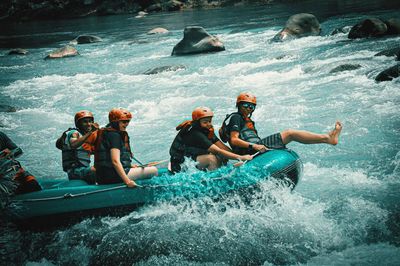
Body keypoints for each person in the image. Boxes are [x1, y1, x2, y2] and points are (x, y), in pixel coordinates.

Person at [219, 92, 343, 155]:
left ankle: (327, 139)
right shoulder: (236, 117)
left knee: (288, 137)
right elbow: (234, 140)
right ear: (238, 105)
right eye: (246, 105)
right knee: (290, 134)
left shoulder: (245, 120)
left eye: (252, 106)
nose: (249, 108)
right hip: (251, 149)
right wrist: (255, 147)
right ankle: (328, 138)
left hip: (251, 148)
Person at [169, 107, 253, 173]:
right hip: (180, 164)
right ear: (197, 123)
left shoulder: (207, 130)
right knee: (211, 158)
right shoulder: (195, 133)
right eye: (205, 122)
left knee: (222, 156)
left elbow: (222, 147)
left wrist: (241, 156)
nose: (209, 124)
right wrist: (240, 157)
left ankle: (221, 172)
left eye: (210, 121)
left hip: (192, 158)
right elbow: (218, 151)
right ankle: (215, 179)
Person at [94, 108, 157, 187]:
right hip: (111, 177)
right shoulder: (114, 136)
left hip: (102, 176)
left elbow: (108, 158)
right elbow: (115, 161)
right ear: (115, 122)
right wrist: (127, 182)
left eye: (128, 121)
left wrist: (130, 166)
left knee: (144, 169)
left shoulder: (107, 133)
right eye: (124, 121)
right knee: (153, 170)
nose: (126, 124)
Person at [56, 110, 98, 184]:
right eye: (85, 122)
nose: (89, 124)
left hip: (84, 170)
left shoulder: (85, 138)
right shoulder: (74, 133)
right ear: (79, 124)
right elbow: (74, 144)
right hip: (74, 171)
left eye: (90, 121)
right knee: (94, 170)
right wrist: (90, 132)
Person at [0, 131, 41, 195]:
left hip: (12, 170)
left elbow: (18, 151)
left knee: (33, 184)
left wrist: (10, 153)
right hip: (3, 178)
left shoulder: (1, 135)